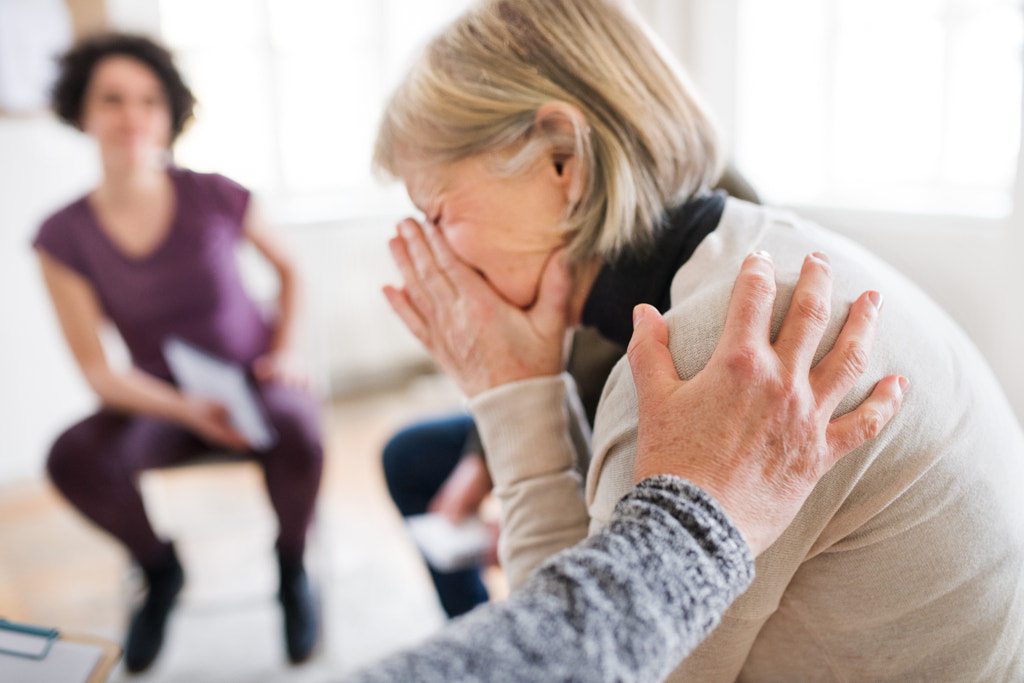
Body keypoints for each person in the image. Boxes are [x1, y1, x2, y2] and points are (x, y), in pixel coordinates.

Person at [373, 0, 1024, 679]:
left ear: (561, 159)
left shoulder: (706, 357)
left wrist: (510, 391)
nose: (429, 253)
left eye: (438, 213)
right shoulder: (749, 247)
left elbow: (598, 661)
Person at [348, 252, 905, 681]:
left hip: (614, 425)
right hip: (595, 428)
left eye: (442, 210)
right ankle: (478, 624)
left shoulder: (687, 264)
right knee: (408, 454)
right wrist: (494, 428)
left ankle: (495, 623)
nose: (437, 243)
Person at [33, 34, 322, 672]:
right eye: (112, 99)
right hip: (160, 402)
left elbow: (292, 270)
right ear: (83, 111)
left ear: (170, 114)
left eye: (148, 100)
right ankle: (160, 571)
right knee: (71, 458)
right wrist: (189, 411)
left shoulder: (215, 193)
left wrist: (290, 348)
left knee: (301, 427)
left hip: (254, 381)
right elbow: (98, 371)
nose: (132, 116)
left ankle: (293, 569)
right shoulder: (62, 237)